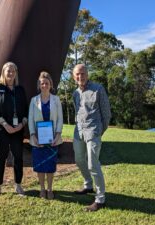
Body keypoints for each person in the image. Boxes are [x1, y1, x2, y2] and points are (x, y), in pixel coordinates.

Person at [72, 64, 111, 211]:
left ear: (87, 74)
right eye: (77, 74)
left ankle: (100, 199)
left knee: (93, 164)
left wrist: (99, 131)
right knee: (79, 159)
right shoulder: (75, 93)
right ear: (74, 76)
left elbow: (106, 114)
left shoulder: (98, 89)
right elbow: (77, 112)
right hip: (79, 131)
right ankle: (88, 185)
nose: (80, 76)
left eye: (82, 73)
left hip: (93, 131)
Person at [0, 62, 28, 198]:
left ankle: (18, 184)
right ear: (3, 72)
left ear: (16, 73)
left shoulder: (20, 90)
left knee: (18, 158)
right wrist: (5, 125)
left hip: (17, 129)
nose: (11, 73)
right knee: (0, 158)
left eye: (13, 71)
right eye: (8, 71)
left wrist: (22, 124)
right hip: (1, 129)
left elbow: (25, 109)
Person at [28, 71, 63, 200]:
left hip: (53, 138)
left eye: (46, 83)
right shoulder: (34, 100)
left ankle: (50, 189)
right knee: (40, 166)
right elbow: (30, 119)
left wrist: (58, 134)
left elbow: (60, 118)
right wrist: (33, 135)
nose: (44, 85)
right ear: (39, 85)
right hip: (38, 139)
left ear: (50, 85)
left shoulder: (56, 100)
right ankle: (42, 189)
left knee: (50, 165)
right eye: (42, 83)